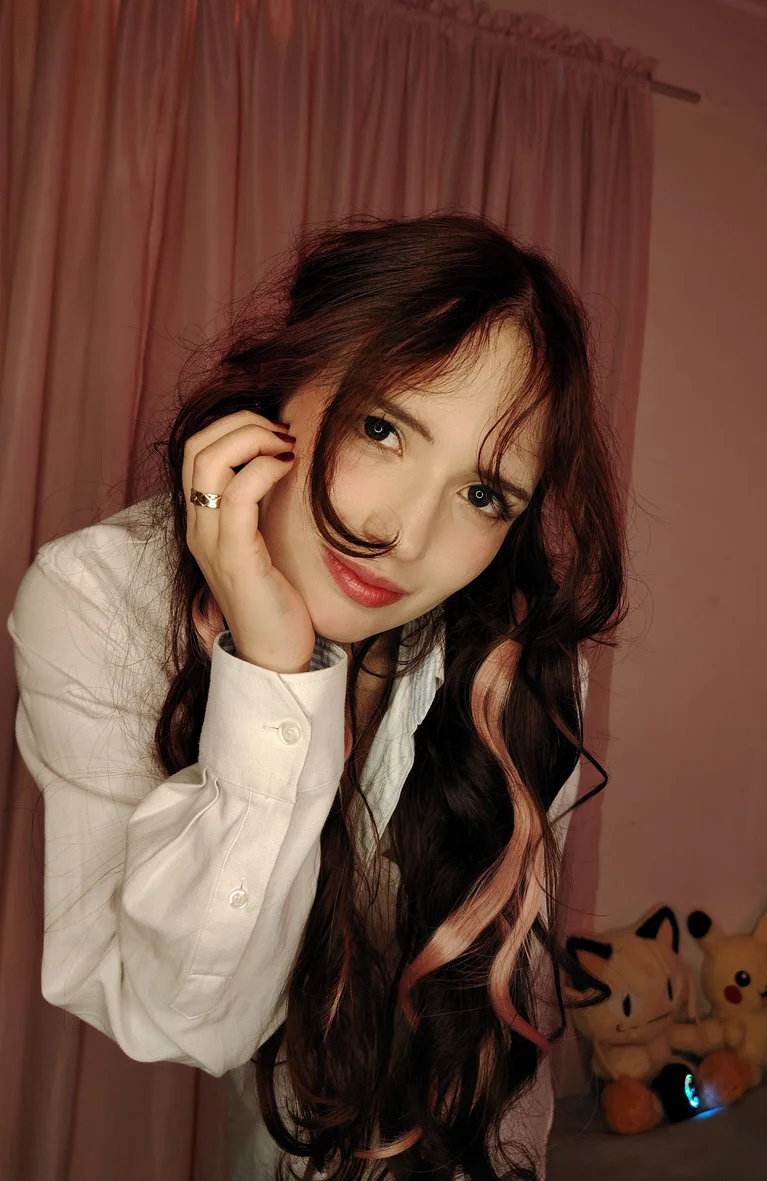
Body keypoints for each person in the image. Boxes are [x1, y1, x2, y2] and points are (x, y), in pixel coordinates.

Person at [7, 212, 629, 1181]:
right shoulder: (101, 598)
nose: (403, 535)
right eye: (383, 429)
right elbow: (188, 1020)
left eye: (481, 494)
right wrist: (273, 674)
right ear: (286, 378)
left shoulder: (519, 666)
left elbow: (495, 1054)